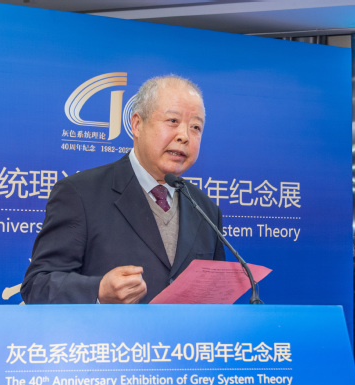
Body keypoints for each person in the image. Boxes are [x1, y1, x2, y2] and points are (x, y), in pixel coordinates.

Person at [21, 75, 225, 304]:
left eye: (195, 127)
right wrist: (98, 291)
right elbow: (37, 285)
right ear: (137, 124)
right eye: (173, 121)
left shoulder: (207, 210)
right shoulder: (80, 193)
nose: (184, 136)